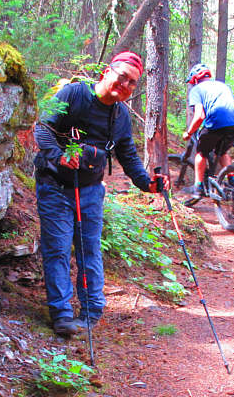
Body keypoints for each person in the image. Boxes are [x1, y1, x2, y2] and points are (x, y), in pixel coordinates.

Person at [33, 51, 168, 336]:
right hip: (55, 185)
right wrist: (58, 155)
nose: (126, 86)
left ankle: (92, 311)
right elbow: (42, 128)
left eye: (132, 83)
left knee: (89, 250)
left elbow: (128, 156)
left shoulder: (120, 117)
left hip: (91, 190)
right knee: (57, 250)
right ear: (108, 71)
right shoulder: (74, 94)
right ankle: (62, 316)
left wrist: (148, 184)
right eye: (123, 77)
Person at [181, 63, 234, 197]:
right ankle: (233, 181)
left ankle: (198, 187)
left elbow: (199, 116)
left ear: (195, 80)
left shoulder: (197, 90)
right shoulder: (223, 86)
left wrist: (189, 133)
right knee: (222, 152)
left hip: (217, 121)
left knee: (201, 152)